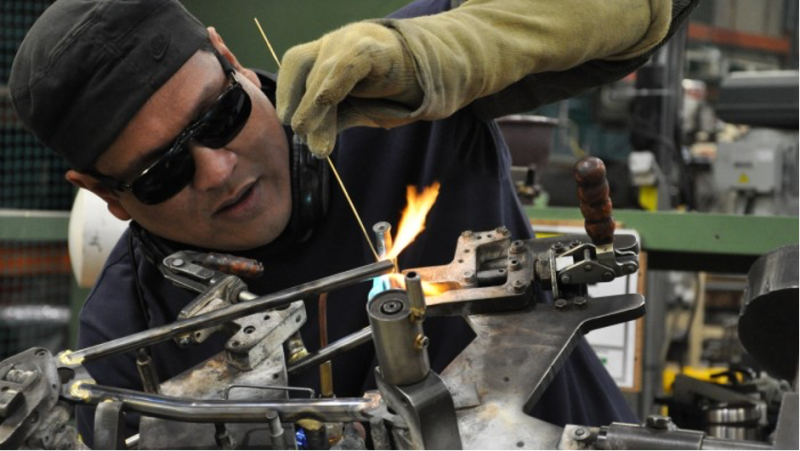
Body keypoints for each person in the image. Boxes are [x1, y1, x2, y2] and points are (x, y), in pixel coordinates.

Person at [10, 0, 696, 446]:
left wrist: (447, 54)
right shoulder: (127, 340)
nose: (218, 169)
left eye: (221, 117)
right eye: (163, 173)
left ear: (228, 55)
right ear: (108, 196)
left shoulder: (388, 93)